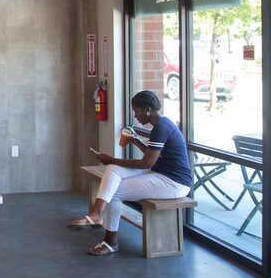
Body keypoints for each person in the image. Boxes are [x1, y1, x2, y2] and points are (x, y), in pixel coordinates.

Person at [66, 90, 192, 255]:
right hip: (161, 172)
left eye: (137, 111)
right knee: (114, 170)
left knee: (116, 191)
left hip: (175, 183)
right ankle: (96, 214)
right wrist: (136, 141)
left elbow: (146, 162)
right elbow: (151, 154)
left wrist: (111, 159)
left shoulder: (161, 127)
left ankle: (110, 242)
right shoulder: (161, 124)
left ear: (147, 109)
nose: (135, 115)